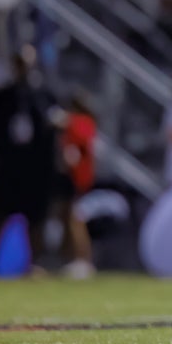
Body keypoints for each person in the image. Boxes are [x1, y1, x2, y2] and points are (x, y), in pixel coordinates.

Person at [0, 45, 62, 270]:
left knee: (35, 218)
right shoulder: (4, 96)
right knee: (0, 215)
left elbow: (53, 125)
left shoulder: (43, 94)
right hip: (9, 166)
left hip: (34, 167)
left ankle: (34, 263)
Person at [55, 92, 98, 279]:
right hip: (72, 177)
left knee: (76, 219)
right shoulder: (81, 122)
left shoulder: (81, 122)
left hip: (80, 177)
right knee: (68, 217)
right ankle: (72, 258)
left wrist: (68, 121)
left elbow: (81, 141)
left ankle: (83, 260)